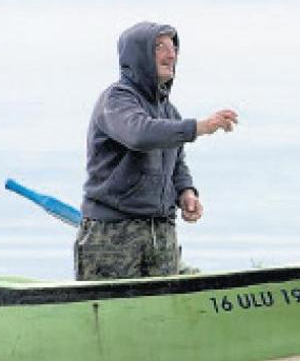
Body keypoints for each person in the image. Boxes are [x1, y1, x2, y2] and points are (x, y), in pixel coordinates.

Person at [75, 21, 238, 280]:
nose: (170, 54)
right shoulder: (116, 100)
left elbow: (176, 165)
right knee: (119, 316)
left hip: (162, 234)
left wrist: (186, 192)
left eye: (173, 47)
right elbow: (139, 134)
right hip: (114, 235)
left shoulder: (169, 112)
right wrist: (201, 127)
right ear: (137, 56)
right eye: (159, 47)